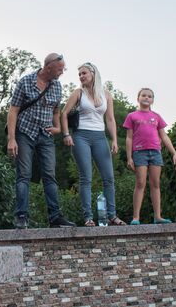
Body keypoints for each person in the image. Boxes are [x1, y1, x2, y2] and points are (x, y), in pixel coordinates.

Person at [7, 53, 75, 229]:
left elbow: (55, 111)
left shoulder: (57, 86)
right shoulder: (26, 81)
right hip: (24, 133)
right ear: (49, 66)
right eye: (60, 69)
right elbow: (13, 111)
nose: (62, 72)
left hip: (45, 135)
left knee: (50, 176)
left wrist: (58, 128)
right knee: (24, 175)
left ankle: (55, 217)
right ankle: (21, 216)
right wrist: (12, 139)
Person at [61, 62, 126, 227]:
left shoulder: (106, 94)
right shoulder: (78, 93)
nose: (81, 76)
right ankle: (88, 217)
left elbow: (110, 119)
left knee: (109, 178)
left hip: (100, 137)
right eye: (79, 74)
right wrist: (66, 134)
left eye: (84, 73)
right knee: (86, 177)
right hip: (81, 136)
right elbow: (64, 113)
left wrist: (114, 140)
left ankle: (112, 216)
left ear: (93, 74)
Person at [123, 88, 176, 225]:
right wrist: (129, 157)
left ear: (152, 100)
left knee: (155, 184)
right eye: (144, 95)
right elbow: (129, 138)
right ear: (138, 98)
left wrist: (174, 153)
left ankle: (158, 217)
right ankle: (136, 217)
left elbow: (164, 136)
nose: (146, 98)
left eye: (149, 96)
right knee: (140, 183)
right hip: (139, 152)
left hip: (155, 152)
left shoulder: (157, 116)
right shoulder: (132, 116)